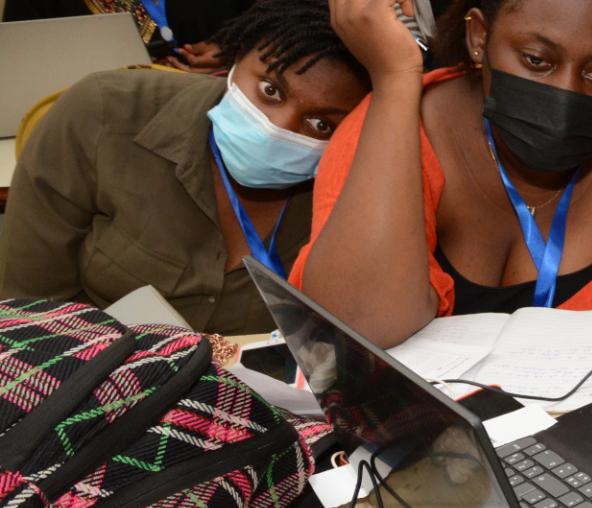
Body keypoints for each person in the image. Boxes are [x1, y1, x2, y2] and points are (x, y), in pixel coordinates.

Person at [295, 0, 592, 348]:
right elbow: (355, 328)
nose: (565, 93)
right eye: (537, 60)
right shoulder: (390, 135)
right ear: (479, 38)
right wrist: (395, 79)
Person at [0, 0, 369, 334]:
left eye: (322, 125)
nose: (277, 128)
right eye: (270, 90)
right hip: (93, 383)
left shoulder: (365, 187)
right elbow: (31, 309)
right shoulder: (103, 115)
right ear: (236, 59)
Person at [3, 0, 255, 72]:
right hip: (96, 130)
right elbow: (22, 72)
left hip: (219, 123)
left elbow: (281, 32)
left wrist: (238, 55)